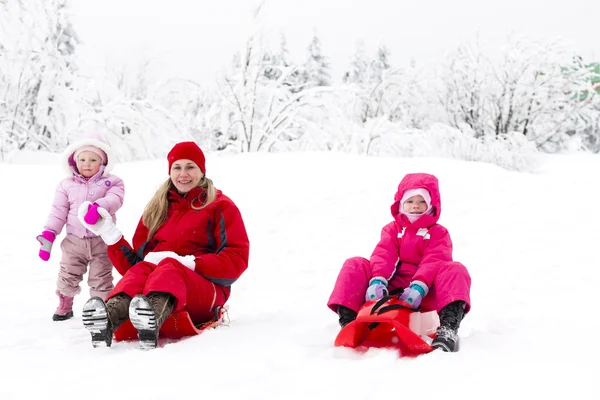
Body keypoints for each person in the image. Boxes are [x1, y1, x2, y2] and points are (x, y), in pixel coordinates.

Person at [78, 141, 250, 349]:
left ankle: (150, 316)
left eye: (190, 167)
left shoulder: (221, 206)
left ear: (202, 171)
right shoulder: (159, 208)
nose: (183, 174)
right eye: (177, 167)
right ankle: (109, 319)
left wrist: (190, 263)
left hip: (206, 291)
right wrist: (109, 233)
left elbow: (236, 259)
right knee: (144, 270)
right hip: (164, 283)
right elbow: (137, 268)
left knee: (169, 267)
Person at [327, 173, 471, 352]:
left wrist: (419, 287)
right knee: (355, 264)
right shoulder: (392, 229)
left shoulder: (438, 233)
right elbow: (384, 255)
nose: (415, 205)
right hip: (391, 286)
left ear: (431, 204)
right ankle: (349, 322)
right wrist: (378, 280)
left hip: (426, 292)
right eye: (410, 201)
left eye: (422, 201)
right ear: (401, 203)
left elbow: (434, 260)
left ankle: (448, 329)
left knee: (455, 270)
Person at [37, 137, 125, 321]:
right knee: (68, 273)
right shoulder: (66, 185)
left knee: (101, 277)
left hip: (101, 241)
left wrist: (98, 208)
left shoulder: (113, 182)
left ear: (103, 162)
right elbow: (58, 211)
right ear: (74, 162)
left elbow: (115, 200)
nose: (87, 164)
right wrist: (49, 233)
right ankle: (65, 304)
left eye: (93, 160)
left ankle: (102, 308)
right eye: (82, 160)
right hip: (73, 242)